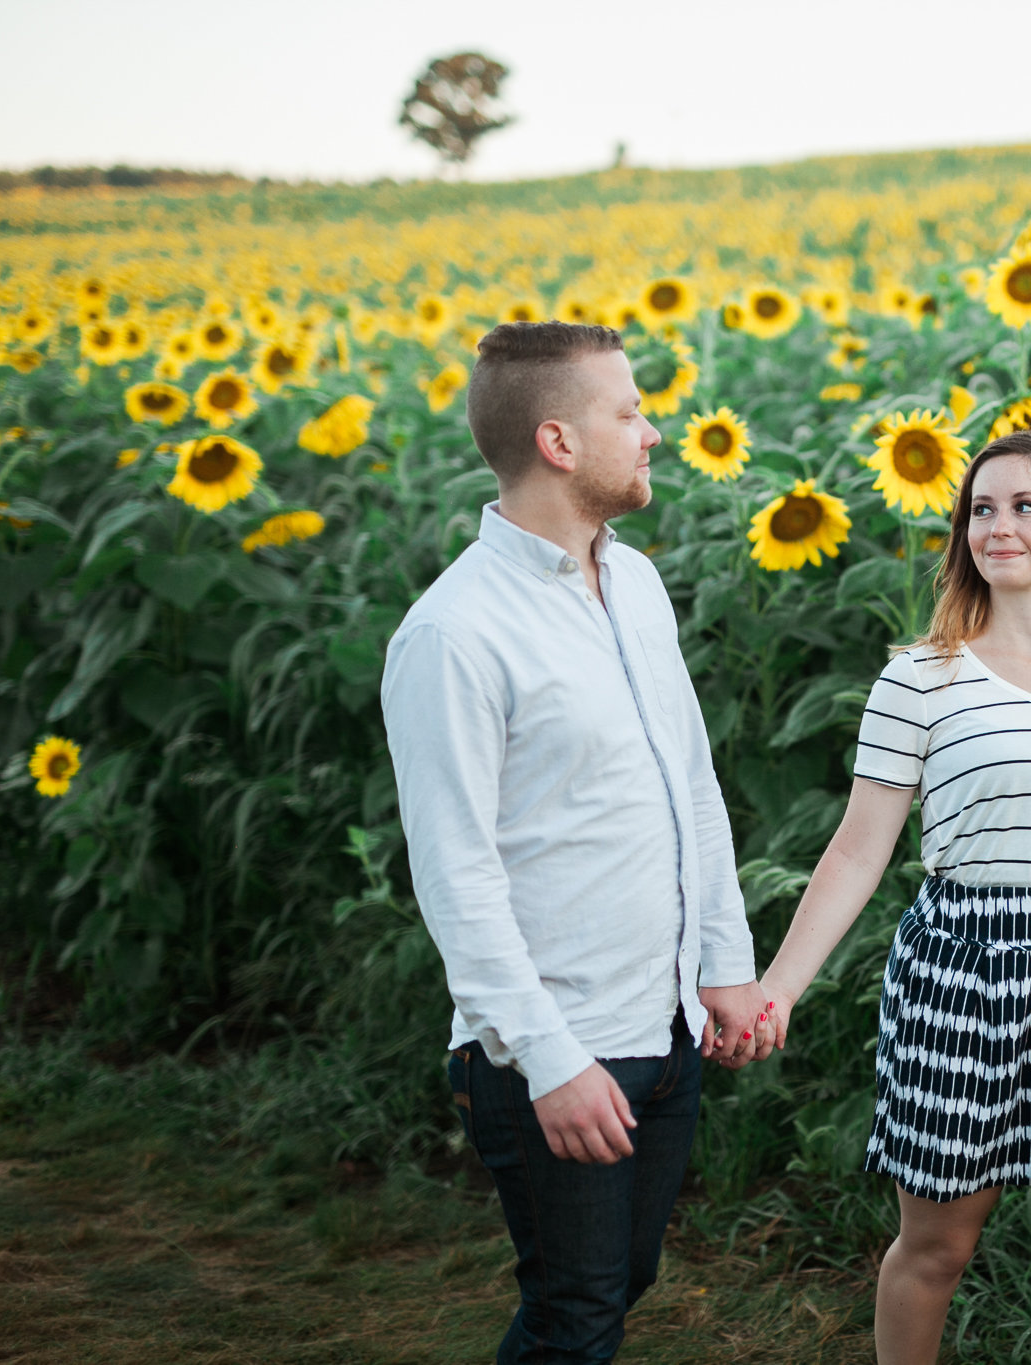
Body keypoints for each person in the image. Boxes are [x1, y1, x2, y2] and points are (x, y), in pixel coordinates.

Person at [381, 320, 775, 1365]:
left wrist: (725, 968)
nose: (652, 431)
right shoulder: (453, 634)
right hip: (553, 1043)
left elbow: (687, 782)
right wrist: (550, 1060)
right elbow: (454, 875)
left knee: (614, 1285)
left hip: (666, 1023)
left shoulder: (634, 583)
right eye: (629, 411)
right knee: (575, 1314)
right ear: (558, 442)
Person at [751, 430, 1031, 1365]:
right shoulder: (921, 676)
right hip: (963, 961)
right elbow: (858, 849)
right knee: (939, 1243)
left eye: (1025, 507)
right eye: (982, 507)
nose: (999, 526)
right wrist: (779, 986)